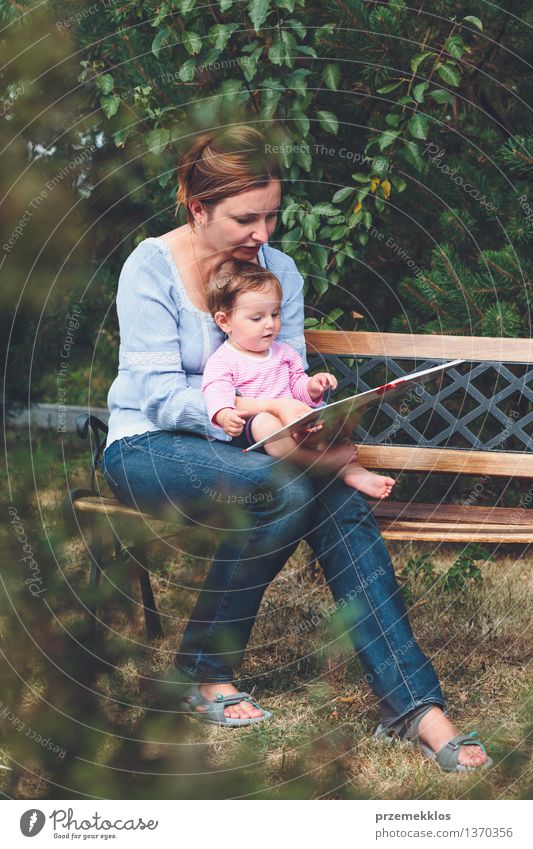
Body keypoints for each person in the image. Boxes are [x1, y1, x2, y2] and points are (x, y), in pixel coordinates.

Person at [101, 125, 491, 771]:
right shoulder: (150, 266)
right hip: (148, 446)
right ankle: (204, 670)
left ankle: (416, 709)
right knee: (282, 488)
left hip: (256, 445)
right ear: (197, 208)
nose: (263, 233)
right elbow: (160, 398)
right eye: (245, 218)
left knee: (335, 499)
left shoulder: (278, 270)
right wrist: (249, 418)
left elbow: (288, 373)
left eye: (272, 215)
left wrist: (306, 418)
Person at [201, 258, 396, 500]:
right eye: (257, 318)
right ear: (225, 321)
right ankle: (319, 464)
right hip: (258, 438)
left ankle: (353, 471)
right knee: (266, 424)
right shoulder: (223, 360)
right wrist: (224, 415)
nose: (270, 324)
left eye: (274, 313)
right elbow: (216, 392)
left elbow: (296, 386)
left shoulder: (284, 353)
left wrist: (313, 387)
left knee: (326, 420)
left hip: (297, 428)